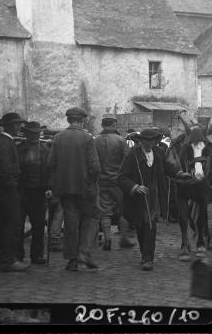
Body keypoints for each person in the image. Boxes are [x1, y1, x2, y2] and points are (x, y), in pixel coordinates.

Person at [118, 128, 190, 270]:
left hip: (155, 194)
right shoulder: (132, 155)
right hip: (139, 196)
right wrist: (134, 187)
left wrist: (180, 173)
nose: (149, 143)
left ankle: (148, 258)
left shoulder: (159, 152)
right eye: (146, 140)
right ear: (141, 141)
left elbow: (169, 167)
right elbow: (121, 177)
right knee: (141, 225)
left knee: (151, 225)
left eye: (152, 140)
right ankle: (145, 254)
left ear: (156, 141)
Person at [47, 107, 101, 272]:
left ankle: (72, 260)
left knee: (71, 223)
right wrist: (91, 182)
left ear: (68, 120)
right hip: (85, 188)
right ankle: (84, 251)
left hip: (65, 189)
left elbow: (50, 164)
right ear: (82, 120)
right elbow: (95, 166)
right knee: (90, 219)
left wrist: (55, 184)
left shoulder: (58, 138)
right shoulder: (87, 138)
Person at [0, 112, 30, 272]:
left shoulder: (1, 141)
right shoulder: (5, 143)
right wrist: (12, 184)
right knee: (9, 225)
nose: (19, 126)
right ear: (11, 126)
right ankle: (7, 260)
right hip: (6, 191)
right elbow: (6, 169)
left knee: (1, 225)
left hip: (2, 190)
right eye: (17, 124)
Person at [94, 116, 134, 251]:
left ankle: (107, 240)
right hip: (118, 181)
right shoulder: (120, 140)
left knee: (104, 211)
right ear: (114, 125)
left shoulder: (95, 141)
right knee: (124, 210)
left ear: (102, 125)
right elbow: (127, 161)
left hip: (101, 181)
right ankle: (123, 238)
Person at [16, 121, 50, 265]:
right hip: (22, 191)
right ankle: (18, 255)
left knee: (39, 225)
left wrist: (49, 188)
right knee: (18, 225)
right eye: (32, 133)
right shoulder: (18, 149)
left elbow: (49, 170)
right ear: (27, 134)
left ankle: (36, 255)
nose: (35, 135)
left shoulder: (45, 149)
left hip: (39, 191)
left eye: (37, 133)